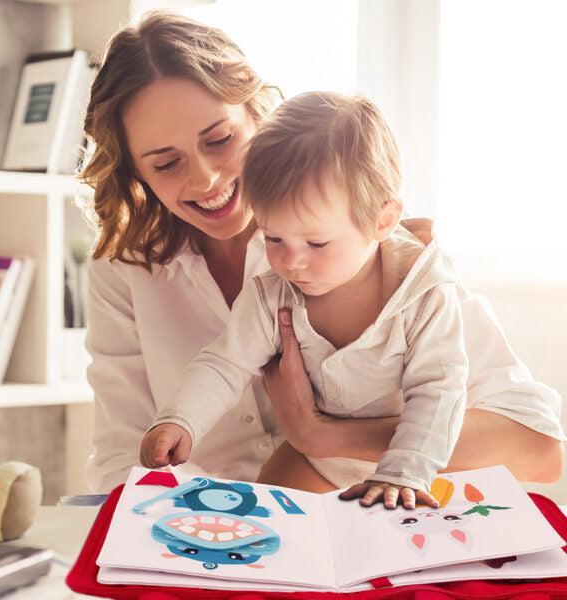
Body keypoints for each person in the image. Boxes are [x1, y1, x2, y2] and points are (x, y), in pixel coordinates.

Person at [80, 10, 564, 496]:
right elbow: (125, 454)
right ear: (135, 172)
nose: (205, 178)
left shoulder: (373, 244)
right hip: (223, 529)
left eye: (221, 139)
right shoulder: (125, 266)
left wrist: (322, 435)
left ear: (257, 115)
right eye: (166, 163)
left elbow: (539, 448)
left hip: (379, 504)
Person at [140, 90, 470, 510]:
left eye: (316, 242)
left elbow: (439, 392)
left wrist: (402, 471)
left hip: (411, 463)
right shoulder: (271, 292)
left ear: (381, 221)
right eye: (273, 237)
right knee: (268, 523)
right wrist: (179, 418)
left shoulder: (425, 294)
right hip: (314, 460)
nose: (290, 261)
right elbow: (225, 363)